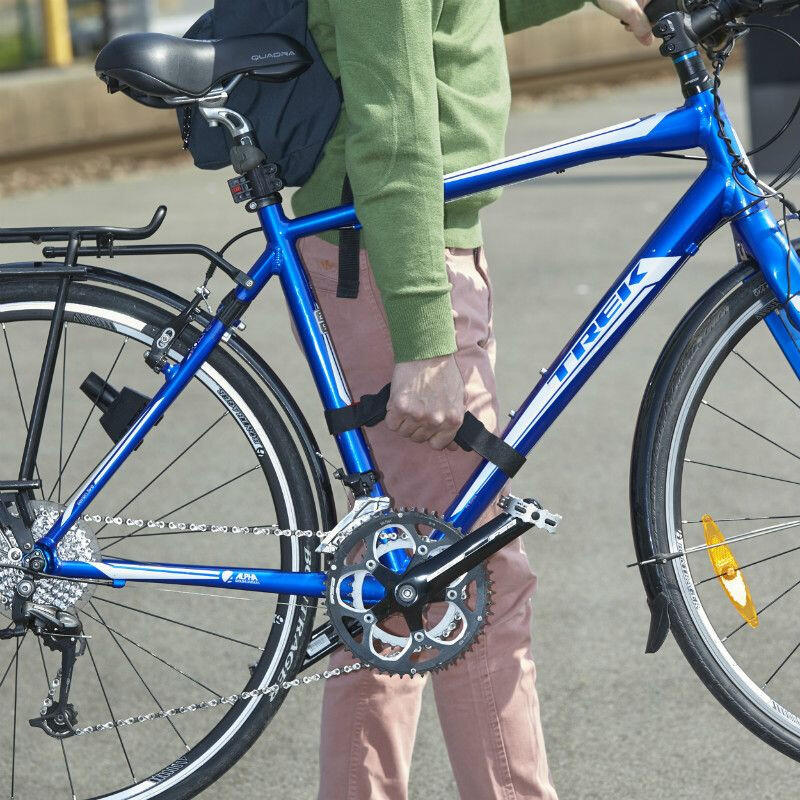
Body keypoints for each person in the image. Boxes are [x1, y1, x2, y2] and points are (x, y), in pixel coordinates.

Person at [291, 0, 653, 796]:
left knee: (396, 581)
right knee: (475, 580)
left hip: (404, 245)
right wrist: (425, 338)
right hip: (394, 259)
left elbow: (460, 12)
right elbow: (393, 122)